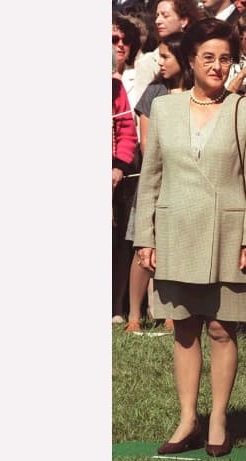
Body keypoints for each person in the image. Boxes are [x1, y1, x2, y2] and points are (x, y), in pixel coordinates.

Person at [133, 17, 246, 457]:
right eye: (208, 57)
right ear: (190, 60)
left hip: (227, 237)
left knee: (220, 329)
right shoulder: (166, 108)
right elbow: (150, 177)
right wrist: (145, 238)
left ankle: (219, 419)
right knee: (184, 330)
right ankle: (188, 417)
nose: (217, 65)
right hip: (173, 233)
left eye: (225, 58)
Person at [124, 32, 193, 333]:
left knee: (175, 246)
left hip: (186, 180)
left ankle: (172, 312)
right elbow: (146, 143)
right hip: (158, 177)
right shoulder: (153, 94)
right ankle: (135, 316)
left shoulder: (196, 94)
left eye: (166, 56)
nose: (160, 62)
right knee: (144, 245)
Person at [130, 0, 200, 109]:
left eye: (165, 16)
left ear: (183, 20)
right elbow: (143, 112)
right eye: (157, 15)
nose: (158, 21)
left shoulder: (200, 55)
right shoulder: (147, 63)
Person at [112, 53, 139, 325]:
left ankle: (114, 305)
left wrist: (119, 165)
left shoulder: (116, 89)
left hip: (113, 175)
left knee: (117, 243)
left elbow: (126, 130)